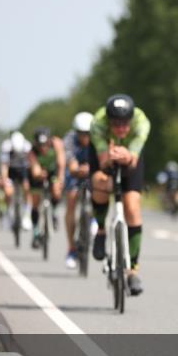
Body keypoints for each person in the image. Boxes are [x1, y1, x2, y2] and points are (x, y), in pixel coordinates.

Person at [90, 94, 151, 295]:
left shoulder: (141, 122)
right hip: (104, 154)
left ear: (131, 119)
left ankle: (132, 270)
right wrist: (109, 158)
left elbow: (134, 157)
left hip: (130, 156)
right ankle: (100, 230)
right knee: (100, 183)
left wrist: (128, 156)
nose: (121, 128)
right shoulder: (98, 123)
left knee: (132, 206)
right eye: (116, 124)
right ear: (108, 120)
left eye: (125, 123)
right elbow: (102, 161)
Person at [63, 112, 99, 269]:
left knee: (100, 189)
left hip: (92, 171)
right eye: (81, 133)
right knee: (71, 198)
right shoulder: (69, 140)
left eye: (88, 133)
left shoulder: (98, 138)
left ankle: (95, 219)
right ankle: (71, 248)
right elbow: (71, 164)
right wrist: (78, 169)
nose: (85, 137)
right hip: (76, 173)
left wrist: (92, 168)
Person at [28, 127, 66, 248]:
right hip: (39, 173)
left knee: (56, 190)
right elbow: (35, 170)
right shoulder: (32, 151)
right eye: (40, 145)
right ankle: (35, 231)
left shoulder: (57, 144)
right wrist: (39, 174)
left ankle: (54, 213)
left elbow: (61, 163)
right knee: (35, 201)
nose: (43, 148)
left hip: (52, 171)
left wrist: (60, 179)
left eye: (45, 145)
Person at [0, 131, 32, 230]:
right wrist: (5, 181)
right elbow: (4, 166)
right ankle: (8, 213)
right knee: (8, 192)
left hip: (23, 169)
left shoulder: (27, 147)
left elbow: (31, 165)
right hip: (11, 170)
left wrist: (29, 180)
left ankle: (27, 215)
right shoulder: (6, 147)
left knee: (27, 189)